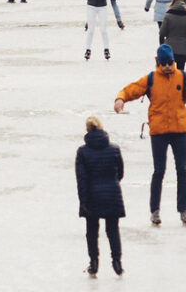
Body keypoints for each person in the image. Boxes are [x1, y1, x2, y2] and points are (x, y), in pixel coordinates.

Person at [114, 43, 186, 226]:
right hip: (159, 132)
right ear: (158, 63)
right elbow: (132, 89)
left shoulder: (182, 78)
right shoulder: (151, 79)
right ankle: (155, 211)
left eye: (170, 62)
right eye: (164, 63)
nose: (167, 66)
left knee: (182, 170)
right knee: (159, 171)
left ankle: (183, 210)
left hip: (180, 131)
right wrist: (121, 98)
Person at [75, 116, 125, 277]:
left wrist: (83, 201)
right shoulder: (114, 149)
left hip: (92, 195)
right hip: (112, 194)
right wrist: (112, 184)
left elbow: (81, 179)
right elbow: (120, 173)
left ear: (87, 130)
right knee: (113, 230)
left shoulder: (82, 152)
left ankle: (94, 263)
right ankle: (117, 262)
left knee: (92, 231)